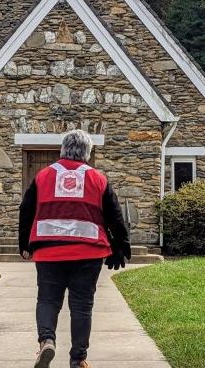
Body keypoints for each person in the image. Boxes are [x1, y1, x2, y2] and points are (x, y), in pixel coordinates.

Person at [18, 129, 131, 368]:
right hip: (88, 253)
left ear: (62, 150)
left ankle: (46, 340)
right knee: (81, 305)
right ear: (88, 153)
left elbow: (26, 210)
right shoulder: (97, 178)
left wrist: (24, 244)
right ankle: (78, 360)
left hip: (49, 252)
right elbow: (114, 216)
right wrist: (121, 244)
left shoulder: (43, 176)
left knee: (48, 299)